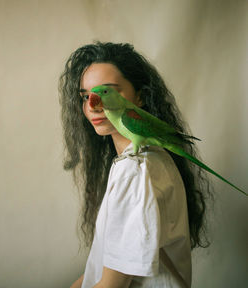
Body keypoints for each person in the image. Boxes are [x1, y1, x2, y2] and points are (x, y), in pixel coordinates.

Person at [58, 42, 211, 288]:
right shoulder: (141, 161)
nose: (92, 103)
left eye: (106, 91)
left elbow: (111, 286)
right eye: (85, 96)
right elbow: (98, 272)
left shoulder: (135, 170)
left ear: (139, 97)